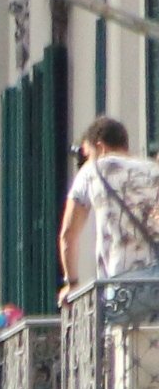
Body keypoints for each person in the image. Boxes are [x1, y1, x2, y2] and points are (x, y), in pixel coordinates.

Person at [70, 117, 159, 286]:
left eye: (87, 155)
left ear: (99, 147)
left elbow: (68, 234)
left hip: (120, 281)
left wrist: (71, 282)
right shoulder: (153, 170)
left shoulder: (92, 169)